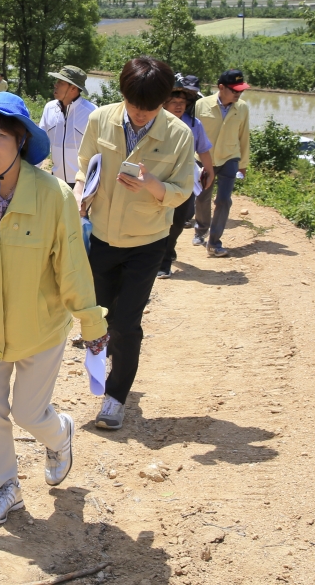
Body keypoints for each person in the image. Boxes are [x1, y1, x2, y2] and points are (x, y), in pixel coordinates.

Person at [0, 92, 108, 526]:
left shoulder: (53, 196)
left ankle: (60, 432)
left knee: (29, 413)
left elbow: (71, 265)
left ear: (20, 141)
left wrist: (91, 322)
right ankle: (5, 487)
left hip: (41, 328)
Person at [74, 57, 195, 431]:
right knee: (100, 317)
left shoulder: (179, 135)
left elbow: (181, 192)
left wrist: (150, 184)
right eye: (134, 105)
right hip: (102, 237)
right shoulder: (100, 119)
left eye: (151, 108)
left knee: (127, 321)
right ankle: (110, 359)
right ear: (122, 95)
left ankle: (116, 397)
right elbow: (84, 167)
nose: (141, 114)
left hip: (147, 242)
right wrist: (79, 196)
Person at [157, 75, 215, 279]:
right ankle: (163, 262)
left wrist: (209, 171)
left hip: (184, 180)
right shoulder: (156, 122)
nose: (180, 106)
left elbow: (204, 150)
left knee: (180, 221)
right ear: (164, 103)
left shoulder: (194, 124)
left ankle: (169, 247)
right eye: (175, 102)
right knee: (162, 219)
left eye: (183, 103)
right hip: (160, 179)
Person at [193, 69, 251, 257]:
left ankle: (214, 242)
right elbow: (190, 133)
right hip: (204, 158)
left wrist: (243, 163)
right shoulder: (201, 105)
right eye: (234, 90)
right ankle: (201, 230)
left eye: (240, 90)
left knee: (224, 200)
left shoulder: (242, 108)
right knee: (202, 197)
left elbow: (244, 136)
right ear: (221, 88)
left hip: (230, 157)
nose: (238, 94)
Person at [37, 65, 96, 189]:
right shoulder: (49, 108)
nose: (55, 85)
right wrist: (30, 172)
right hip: (55, 181)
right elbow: (40, 143)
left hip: (82, 184)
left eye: (61, 82)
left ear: (73, 88)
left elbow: (99, 153)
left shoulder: (92, 113)